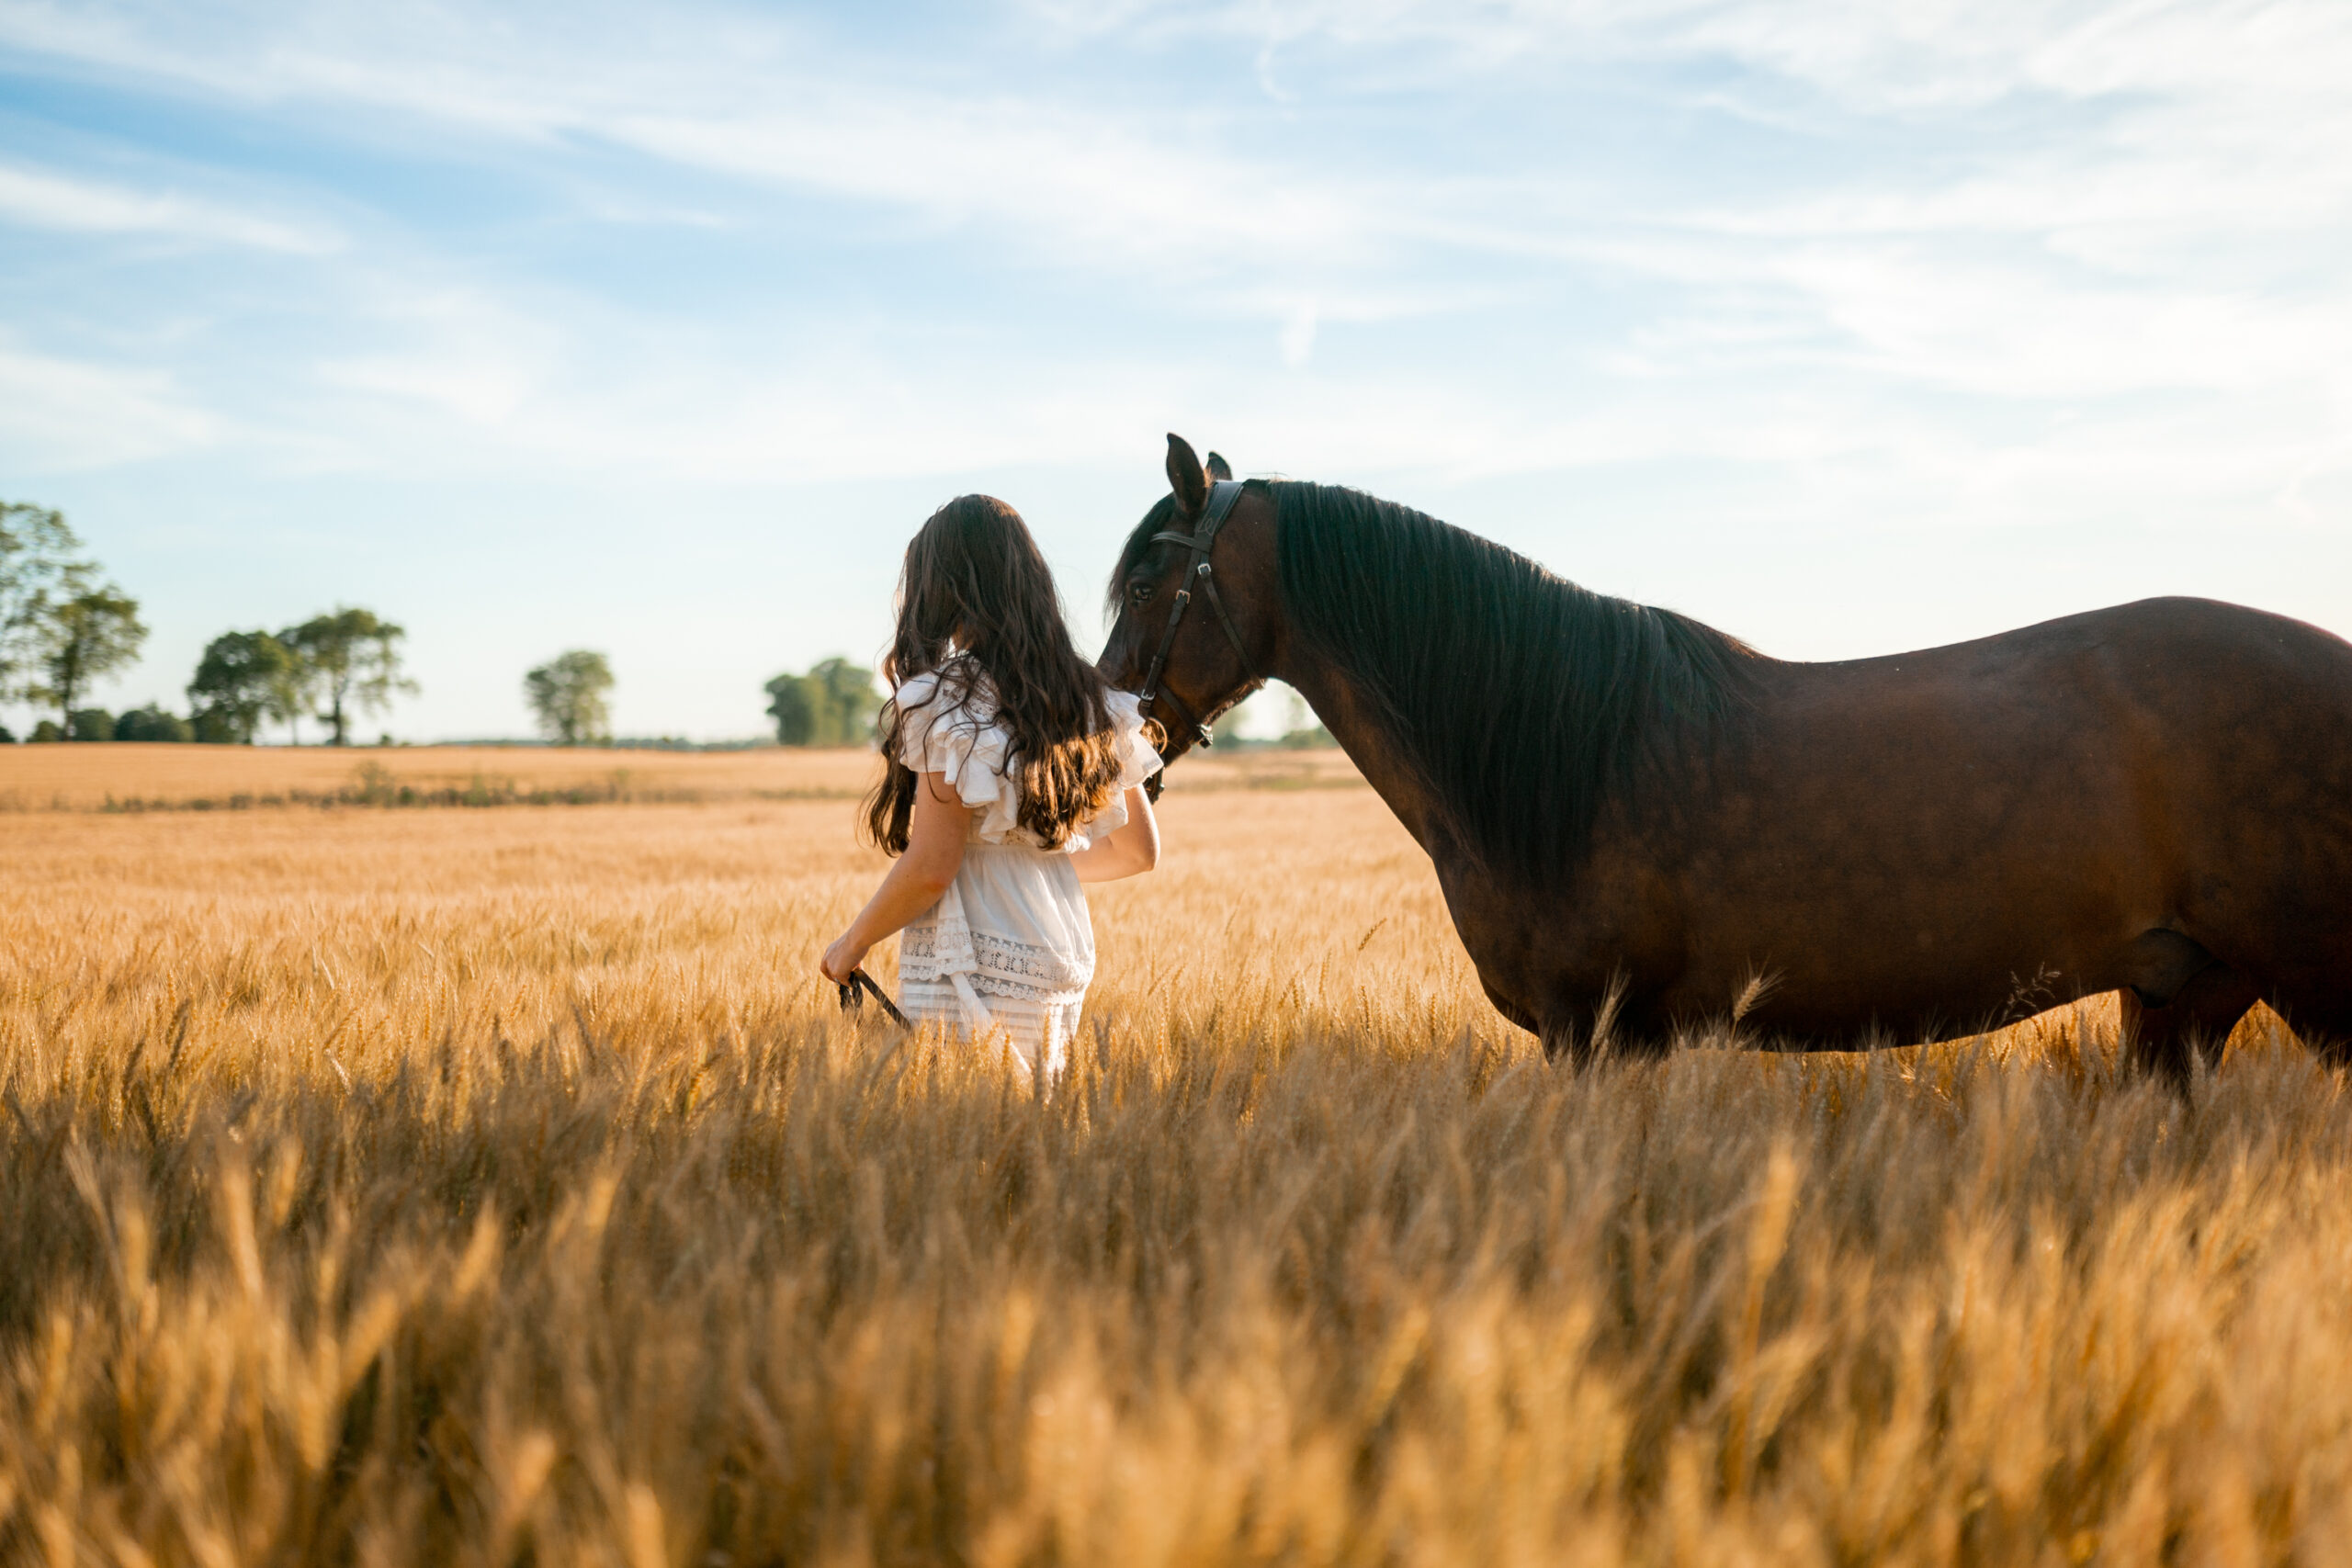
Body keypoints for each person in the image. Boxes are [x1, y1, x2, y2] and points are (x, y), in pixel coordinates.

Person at [820, 494, 1163, 1076]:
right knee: (1029, 1140)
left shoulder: (942, 700)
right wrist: (1025, 864)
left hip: (972, 957)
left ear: (943, 589)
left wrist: (851, 945)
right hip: (1060, 954)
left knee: (959, 1145)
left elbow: (932, 865)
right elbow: (1138, 852)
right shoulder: (1092, 699)